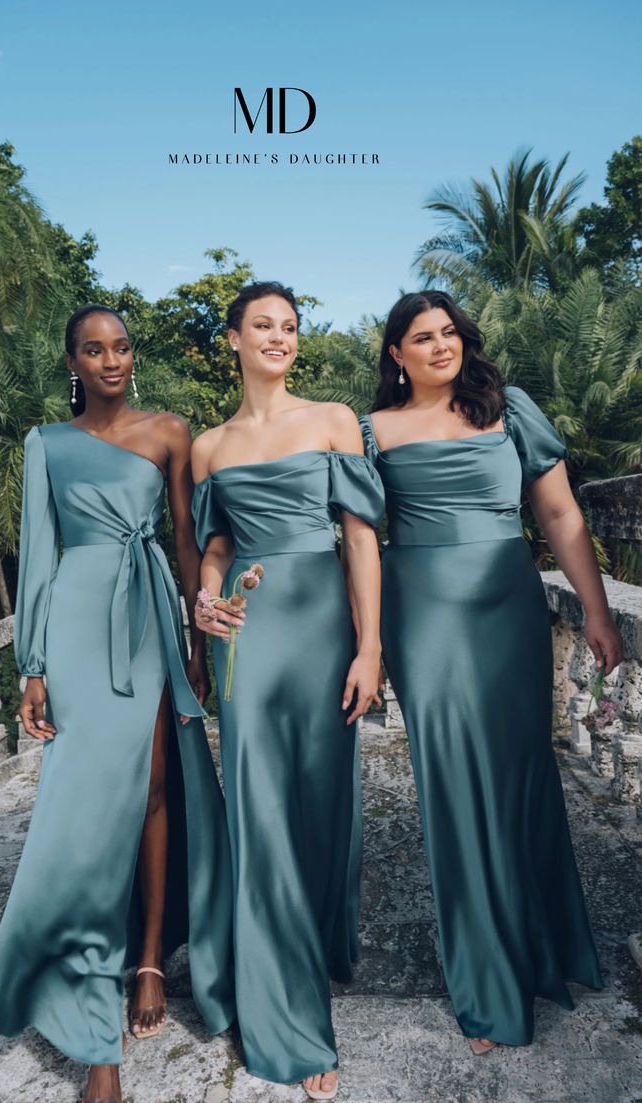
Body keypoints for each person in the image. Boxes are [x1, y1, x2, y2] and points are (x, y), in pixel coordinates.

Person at [0, 304, 234, 1103]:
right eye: (93, 349)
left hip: (147, 614)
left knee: (153, 790)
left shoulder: (169, 431)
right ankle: (94, 1036)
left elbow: (186, 538)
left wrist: (195, 638)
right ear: (72, 361)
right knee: (84, 814)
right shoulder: (45, 442)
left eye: (120, 347)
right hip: (79, 621)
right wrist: (33, 665)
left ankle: (148, 955)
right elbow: (37, 554)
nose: (110, 359)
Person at [359, 290, 623, 1055]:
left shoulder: (506, 408)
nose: (440, 346)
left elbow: (562, 515)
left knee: (521, 772)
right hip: (424, 615)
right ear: (395, 353)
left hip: (508, 608)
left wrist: (596, 612)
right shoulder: (371, 432)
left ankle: (545, 950)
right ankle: (487, 980)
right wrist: (365, 640)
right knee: (454, 782)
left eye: (449, 333)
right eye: (421, 336)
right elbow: (353, 540)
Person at [191, 281, 384, 1101]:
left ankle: (317, 941)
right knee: (260, 811)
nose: (279, 336)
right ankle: (290, 1020)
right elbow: (211, 549)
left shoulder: (335, 419)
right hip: (248, 639)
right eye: (262, 325)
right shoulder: (209, 446)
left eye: (290, 326)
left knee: (322, 801)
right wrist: (204, 597)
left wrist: (369, 645)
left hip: (324, 634)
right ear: (230, 339)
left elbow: (361, 540)